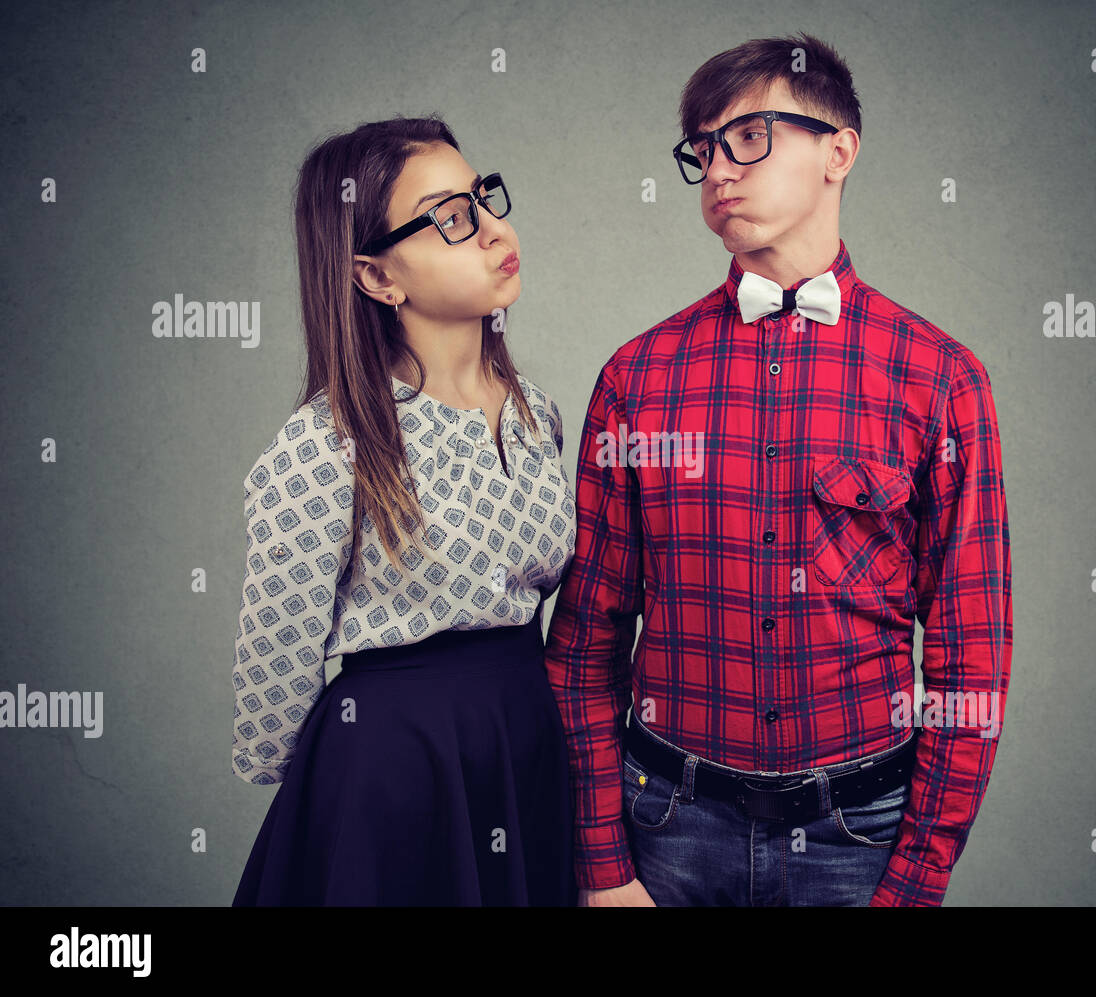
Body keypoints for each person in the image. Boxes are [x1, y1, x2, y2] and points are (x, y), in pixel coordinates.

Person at [543, 32, 1013, 906]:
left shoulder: (941, 379)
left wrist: (915, 877)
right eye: (704, 147)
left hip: (858, 836)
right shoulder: (636, 376)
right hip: (665, 830)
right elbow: (586, 643)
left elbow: (970, 657)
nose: (720, 167)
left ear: (840, 150)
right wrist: (602, 866)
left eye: (751, 136)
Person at [230, 114, 577, 906]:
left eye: (483, 199)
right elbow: (267, 704)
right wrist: (353, 793)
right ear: (378, 277)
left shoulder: (536, 415)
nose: (493, 229)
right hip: (394, 778)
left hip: (524, 755)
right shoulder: (324, 444)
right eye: (453, 218)